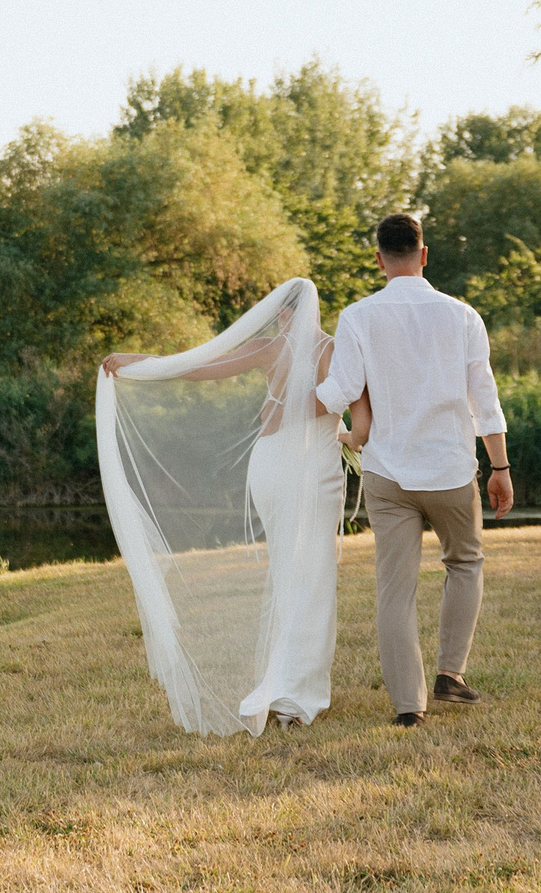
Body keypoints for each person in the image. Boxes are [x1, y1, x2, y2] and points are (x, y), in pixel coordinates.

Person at [96, 279, 370, 735]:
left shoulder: (269, 347)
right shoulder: (333, 351)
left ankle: (285, 685)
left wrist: (136, 364)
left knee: (287, 573)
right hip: (309, 468)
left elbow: (199, 366)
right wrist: (346, 438)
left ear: (280, 312)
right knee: (314, 574)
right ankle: (295, 695)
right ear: (316, 310)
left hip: (268, 464)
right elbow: (360, 421)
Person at [312, 212, 511, 727]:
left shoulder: (357, 316)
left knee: (394, 589)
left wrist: (292, 407)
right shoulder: (462, 315)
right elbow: (483, 396)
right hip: (449, 470)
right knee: (464, 563)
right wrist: (500, 466)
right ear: (424, 255)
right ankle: (451, 673)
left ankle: (408, 708)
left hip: (388, 475)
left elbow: (340, 390)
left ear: (379, 260)